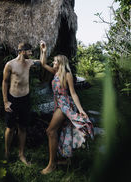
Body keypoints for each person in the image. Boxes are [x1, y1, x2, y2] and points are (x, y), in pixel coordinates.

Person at [40, 40, 94, 174]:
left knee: (50, 131)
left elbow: (73, 93)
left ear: (61, 63)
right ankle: (63, 159)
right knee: (62, 131)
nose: (53, 63)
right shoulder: (55, 72)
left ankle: (52, 165)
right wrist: (44, 51)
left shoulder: (67, 75)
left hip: (64, 105)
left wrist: (81, 110)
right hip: (58, 104)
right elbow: (42, 63)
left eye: (55, 61)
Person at [2, 42, 40, 165]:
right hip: (13, 99)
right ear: (23, 51)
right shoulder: (10, 65)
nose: (31, 53)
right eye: (29, 51)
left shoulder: (29, 63)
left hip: (25, 99)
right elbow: (5, 82)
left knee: (23, 128)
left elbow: (42, 63)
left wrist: (43, 51)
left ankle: (21, 154)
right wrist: (6, 101)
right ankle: (7, 153)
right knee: (10, 128)